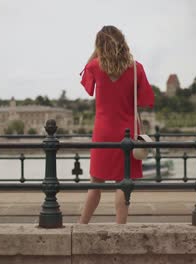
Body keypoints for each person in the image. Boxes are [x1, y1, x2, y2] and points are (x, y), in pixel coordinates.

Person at [78, 25, 154, 224]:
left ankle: (82, 225)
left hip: (103, 131)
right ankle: (120, 228)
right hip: (127, 132)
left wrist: (96, 53)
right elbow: (146, 99)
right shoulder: (136, 68)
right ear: (122, 42)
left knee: (95, 183)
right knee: (123, 182)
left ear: (100, 45)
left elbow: (85, 81)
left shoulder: (95, 66)